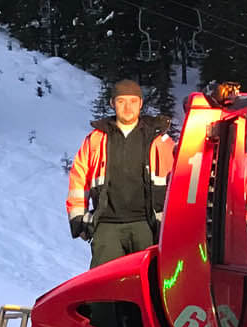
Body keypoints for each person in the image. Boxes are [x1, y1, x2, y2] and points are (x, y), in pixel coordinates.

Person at [66, 78, 177, 269]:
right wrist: (79, 220)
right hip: (107, 226)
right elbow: (79, 179)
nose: (127, 107)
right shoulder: (96, 140)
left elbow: (178, 179)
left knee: (148, 285)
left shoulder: (159, 140)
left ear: (141, 104)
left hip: (146, 225)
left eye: (133, 101)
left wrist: (173, 223)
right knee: (104, 287)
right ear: (112, 103)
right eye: (121, 101)